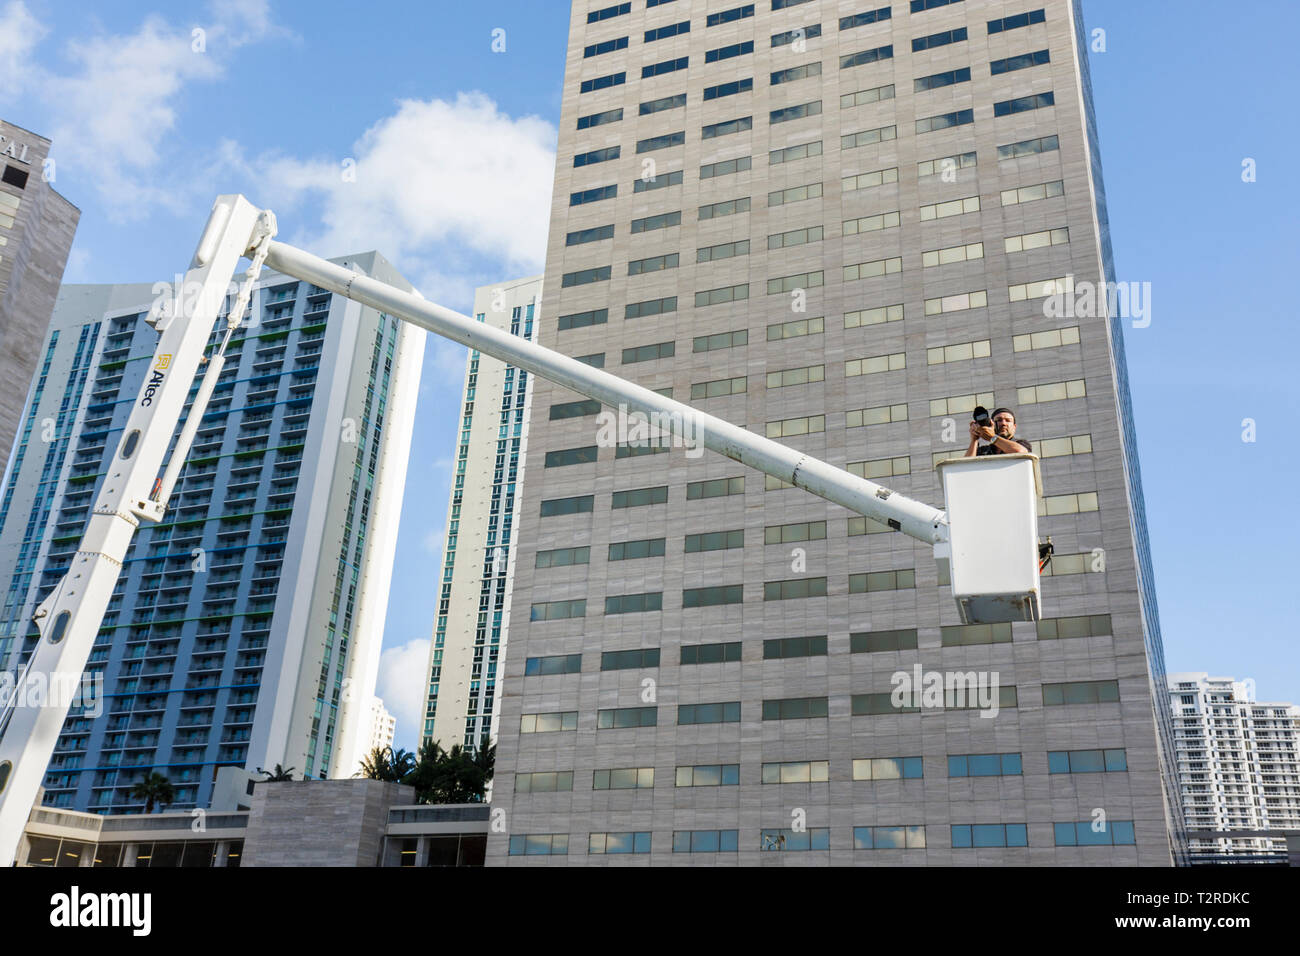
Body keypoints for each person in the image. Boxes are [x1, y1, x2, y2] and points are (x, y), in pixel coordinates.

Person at [964, 407, 1032, 457]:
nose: (1003, 423)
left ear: (1014, 426)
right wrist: (974, 440)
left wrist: (992, 437)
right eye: (999, 420)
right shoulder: (983, 451)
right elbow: (966, 466)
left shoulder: (1022, 444)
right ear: (991, 424)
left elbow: (1020, 452)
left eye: (1008, 420)